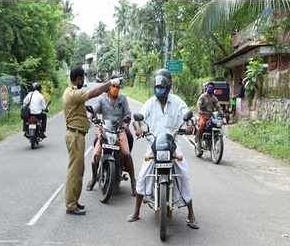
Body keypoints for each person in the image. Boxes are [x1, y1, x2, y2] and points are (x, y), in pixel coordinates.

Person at [127, 69, 199, 229]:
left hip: (172, 145)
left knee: (184, 174)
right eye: (157, 87)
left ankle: (191, 214)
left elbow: (188, 115)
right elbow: (138, 119)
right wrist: (138, 128)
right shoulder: (150, 103)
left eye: (162, 87)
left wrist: (189, 125)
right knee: (144, 174)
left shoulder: (177, 102)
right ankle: (136, 212)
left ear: (168, 87)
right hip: (154, 144)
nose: (159, 90)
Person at [63, 66, 115, 215]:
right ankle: (70, 205)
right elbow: (95, 92)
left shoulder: (71, 92)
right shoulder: (72, 93)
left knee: (79, 171)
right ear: (78, 78)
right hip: (75, 135)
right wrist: (109, 83)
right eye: (82, 78)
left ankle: (74, 201)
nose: (83, 81)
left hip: (78, 134)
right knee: (74, 171)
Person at [86, 77, 136, 196]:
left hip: (119, 130)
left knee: (126, 154)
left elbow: (128, 113)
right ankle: (94, 178)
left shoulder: (122, 99)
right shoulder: (102, 100)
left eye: (118, 87)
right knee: (96, 155)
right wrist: (91, 115)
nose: (116, 89)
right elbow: (93, 110)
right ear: (108, 88)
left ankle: (133, 182)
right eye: (113, 86)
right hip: (105, 129)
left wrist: (125, 124)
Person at [195, 82, 223, 152]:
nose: (210, 88)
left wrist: (222, 113)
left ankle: (213, 139)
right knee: (202, 125)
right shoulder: (203, 96)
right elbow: (198, 104)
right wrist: (199, 111)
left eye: (212, 87)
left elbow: (218, 106)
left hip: (211, 116)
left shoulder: (214, 98)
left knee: (217, 125)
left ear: (213, 89)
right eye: (209, 87)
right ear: (207, 88)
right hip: (203, 115)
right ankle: (198, 141)